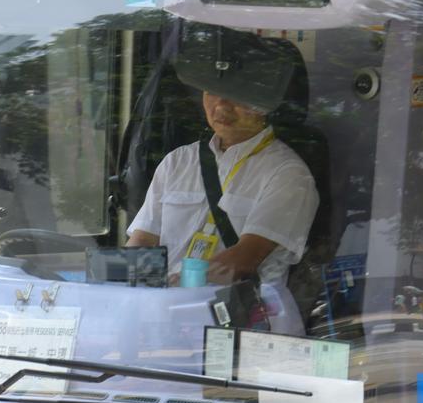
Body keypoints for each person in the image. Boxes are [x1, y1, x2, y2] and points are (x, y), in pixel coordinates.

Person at [127, 34, 320, 288]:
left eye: (236, 96)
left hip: (241, 315)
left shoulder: (288, 174)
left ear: (265, 104)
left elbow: (245, 258)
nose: (221, 106)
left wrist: (175, 289)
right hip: (167, 309)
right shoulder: (177, 162)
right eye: (212, 93)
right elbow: (143, 240)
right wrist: (126, 283)